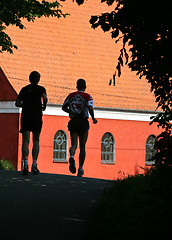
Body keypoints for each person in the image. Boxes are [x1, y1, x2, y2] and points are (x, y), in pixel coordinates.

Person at [62, 79, 97, 177]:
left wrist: (70, 112)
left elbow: (63, 107)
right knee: (82, 146)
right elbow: (90, 107)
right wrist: (93, 118)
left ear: (76, 86)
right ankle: (80, 168)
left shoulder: (71, 96)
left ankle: (72, 156)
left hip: (73, 121)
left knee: (74, 145)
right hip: (83, 121)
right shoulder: (87, 96)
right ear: (85, 86)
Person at [15, 71, 48, 175]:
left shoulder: (24, 89)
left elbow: (17, 103)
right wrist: (44, 106)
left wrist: (25, 106)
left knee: (25, 141)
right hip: (37, 116)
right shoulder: (41, 89)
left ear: (29, 78)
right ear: (38, 79)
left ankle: (25, 164)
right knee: (36, 140)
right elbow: (45, 98)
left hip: (26, 116)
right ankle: (34, 164)